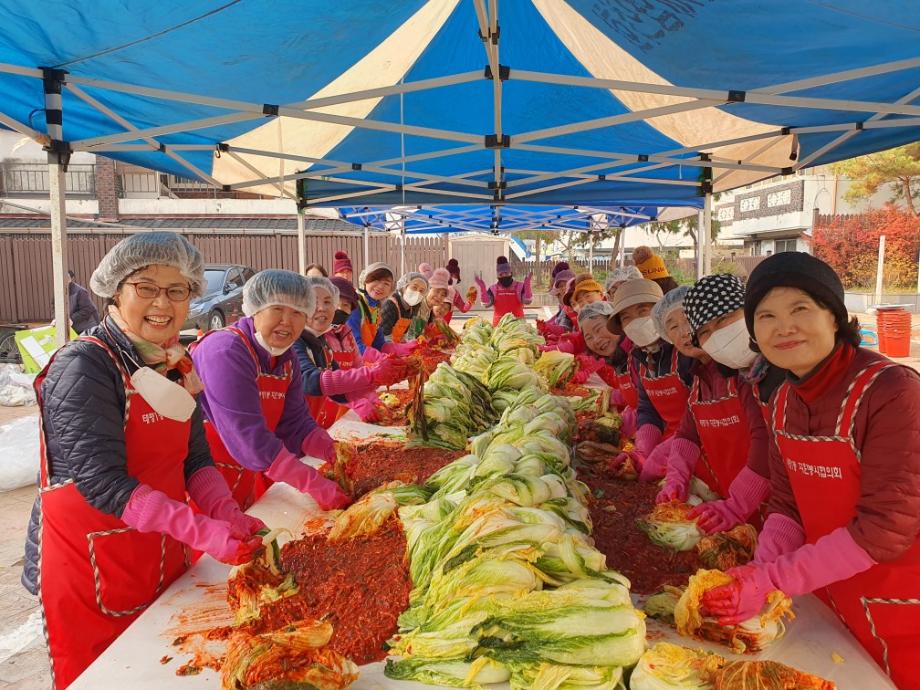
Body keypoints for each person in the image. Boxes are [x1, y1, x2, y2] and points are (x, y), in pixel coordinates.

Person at [23, 232, 264, 689]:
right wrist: (200, 530)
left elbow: (195, 459)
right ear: (116, 291)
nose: (163, 302)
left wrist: (225, 512)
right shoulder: (86, 364)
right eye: (146, 287)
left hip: (162, 551)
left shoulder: (176, 361)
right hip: (93, 566)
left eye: (178, 290)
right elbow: (102, 482)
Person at [701, 252, 920, 690]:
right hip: (829, 592)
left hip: (901, 604)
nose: (784, 327)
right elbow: (787, 507)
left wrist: (774, 577)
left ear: (834, 317)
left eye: (800, 309)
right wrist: (759, 570)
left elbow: (886, 529)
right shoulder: (783, 399)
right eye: (766, 316)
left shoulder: (892, 392)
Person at [192, 269, 350, 512]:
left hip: (249, 472)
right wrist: (313, 483)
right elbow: (249, 438)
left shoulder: (286, 358)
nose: (287, 321)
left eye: (298, 312)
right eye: (277, 309)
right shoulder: (225, 350)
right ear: (255, 309)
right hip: (207, 483)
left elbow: (296, 424)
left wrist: (334, 451)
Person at [651, 277, 774, 528]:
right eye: (673, 327)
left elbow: (765, 440)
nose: (685, 332)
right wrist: (676, 479)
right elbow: (688, 434)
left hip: (768, 504)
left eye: (689, 322)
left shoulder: (742, 374)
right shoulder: (699, 377)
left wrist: (737, 505)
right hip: (731, 504)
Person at [294, 277, 408, 426]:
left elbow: (339, 392)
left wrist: (371, 390)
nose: (322, 308)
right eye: (314, 302)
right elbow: (311, 381)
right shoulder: (295, 340)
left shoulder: (322, 340)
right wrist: (372, 375)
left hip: (315, 422)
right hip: (302, 423)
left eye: (328, 302)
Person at [607, 279, 694, 474]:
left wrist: (668, 451)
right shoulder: (641, 357)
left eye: (642, 310)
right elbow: (648, 409)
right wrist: (643, 448)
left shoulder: (687, 353)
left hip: (697, 448)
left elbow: (703, 416)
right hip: (671, 447)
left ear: (660, 311)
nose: (636, 321)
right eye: (626, 317)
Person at [347, 262, 411, 355]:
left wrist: (407, 348)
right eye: (376, 280)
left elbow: (380, 345)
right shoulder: (355, 304)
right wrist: (378, 357)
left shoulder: (375, 309)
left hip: (365, 361)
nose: (381, 286)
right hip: (350, 364)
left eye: (386, 283)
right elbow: (354, 345)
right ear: (365, 280)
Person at [475, 256, 533, 326]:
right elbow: (486, 304)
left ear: (511, 273)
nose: (504, 276)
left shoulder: (520, 287)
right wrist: (483, 288)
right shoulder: (493, 289)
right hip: (499, 329)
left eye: (506, 273)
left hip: (518, 327)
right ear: (497, 276)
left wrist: (527, 286)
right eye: (501, 274)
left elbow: (527, 301)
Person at [379, 272, 430, 344]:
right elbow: (383, 336)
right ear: (404, 287)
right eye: (414, 287)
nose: (418, 293)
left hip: (396, 346)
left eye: (421, 291)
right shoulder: (390, 305)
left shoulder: (412, 307)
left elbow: (404, 335)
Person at [55, 270, 101, 334]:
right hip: (73, 327)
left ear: (70, 279)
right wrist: (56, 318)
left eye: (66, 278)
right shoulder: (58, 292)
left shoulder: (80, 291)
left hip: (88, 326)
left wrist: (71, 319)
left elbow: (87, 309)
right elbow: (55, 308)